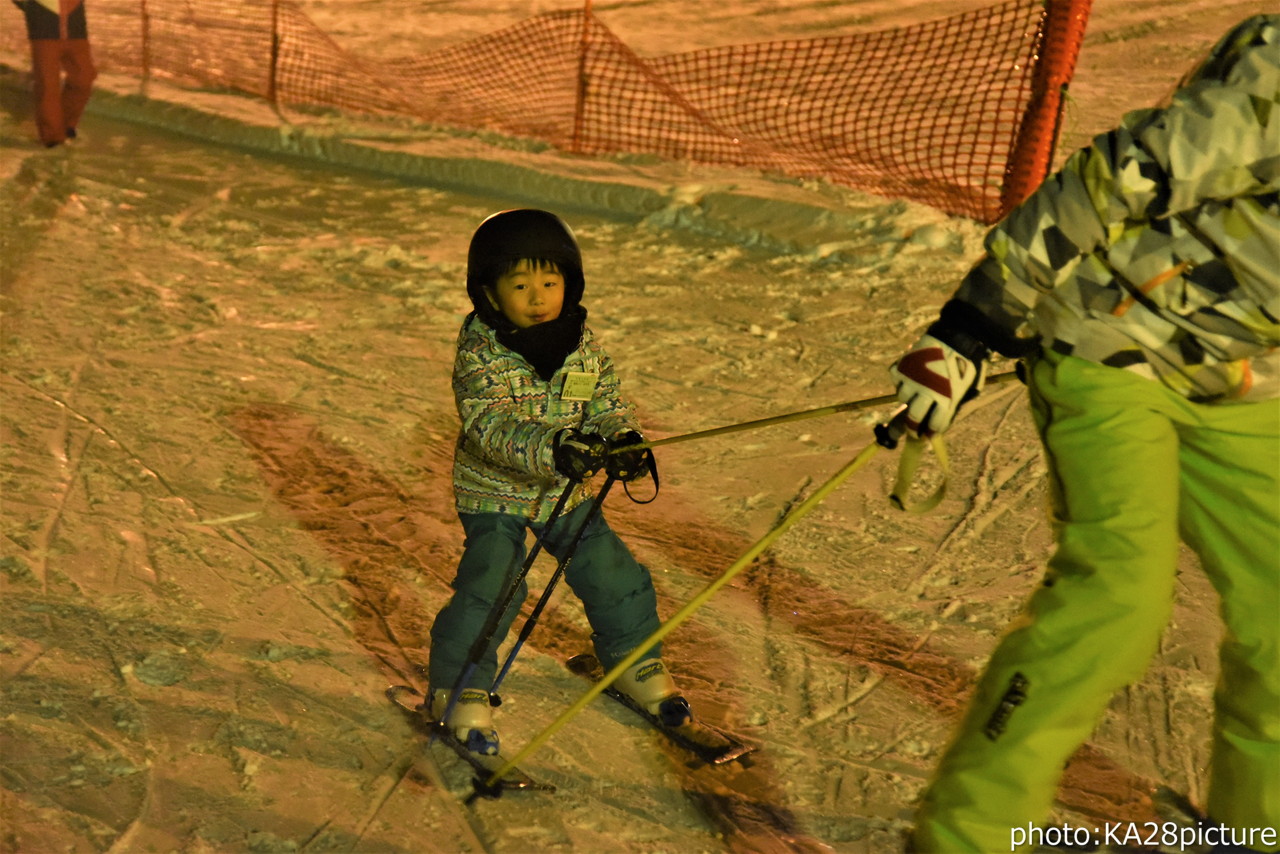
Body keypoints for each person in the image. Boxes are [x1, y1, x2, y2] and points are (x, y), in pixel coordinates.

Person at [887, 15, 1279, 854]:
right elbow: (1125, 171)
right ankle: (968, 836)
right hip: (1109, 339)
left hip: (1225, 375)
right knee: (1118, 601)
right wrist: (974, 322)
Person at [426, 208, 691, 754]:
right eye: (520, 285)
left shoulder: (580, 343)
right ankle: (458, 687)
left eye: (550, 282)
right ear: (490, 294)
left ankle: (637, 663)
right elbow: (487, 425)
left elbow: (606, 402)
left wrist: (622, 439)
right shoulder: (482, 352)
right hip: (496, 494)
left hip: (565, 492)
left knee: (615, 575)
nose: (538, 296)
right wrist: (553, 448)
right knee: (493, 587)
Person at [11, 0, 97, 147]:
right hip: (44, 28)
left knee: (84, 77)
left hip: (75, 27)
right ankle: (52, 137)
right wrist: (31, 7)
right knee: (48, 84)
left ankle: (66, 125)